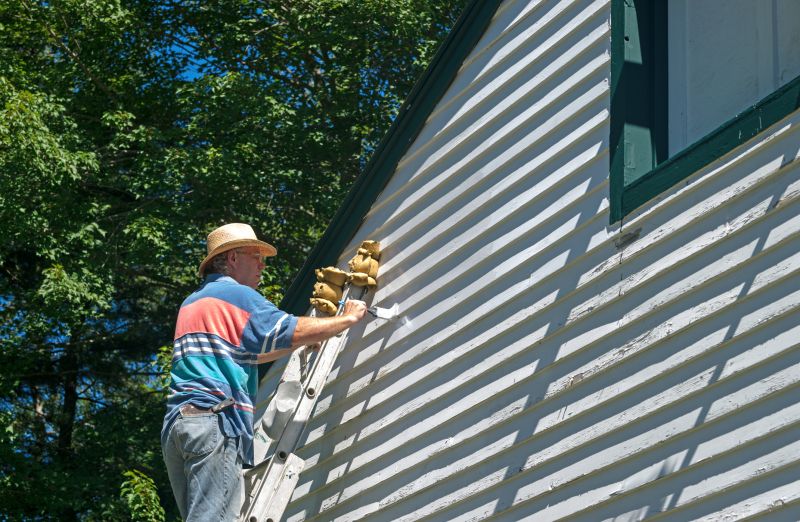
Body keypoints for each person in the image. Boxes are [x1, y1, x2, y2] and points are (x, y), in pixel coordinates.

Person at [161, 223, 366, 521]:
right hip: (214, 422)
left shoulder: (193, 303)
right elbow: (289, 329)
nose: (262, 265)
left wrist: (311, 338)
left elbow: (246, 352)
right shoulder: (236, 295)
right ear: (232, 259)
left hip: (178, 428)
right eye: (255, 256)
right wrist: (346, 319)